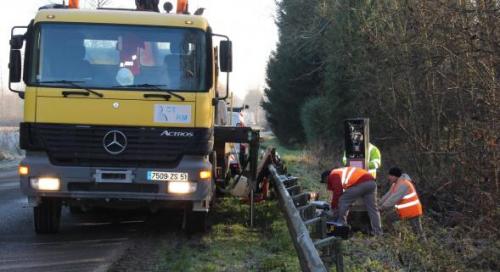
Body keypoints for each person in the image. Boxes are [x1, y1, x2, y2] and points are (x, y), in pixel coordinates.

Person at [321, 166, 382, 236]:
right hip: (372, 183)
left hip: (362, 183)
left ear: (326, 177)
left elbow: (338, 192)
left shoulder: (333, 174)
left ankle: (341, 225)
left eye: (325, 182)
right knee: (373, 209)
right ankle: (378, 232)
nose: (326, 184)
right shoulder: (340, 172)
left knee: (343, 200)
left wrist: (333, 207)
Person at [379, 167, 424, 236]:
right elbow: (388, 195)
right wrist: (378, 203)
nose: (389, 178)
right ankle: (396, 237)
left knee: (418, 232)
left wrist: (382, 208)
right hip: (403, 211)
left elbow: (393, 199)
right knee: (388, 219)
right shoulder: (395, 184)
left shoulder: (404, 184)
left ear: (395, 176)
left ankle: (424, 245)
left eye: (390, 176)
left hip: (412, 211)